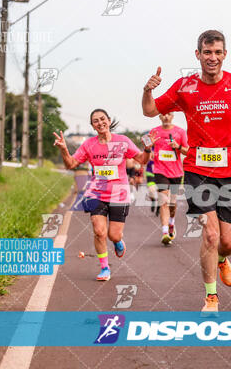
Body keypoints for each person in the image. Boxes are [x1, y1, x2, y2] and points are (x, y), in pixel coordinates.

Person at [141, 30, 231, 312]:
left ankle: (222, 259)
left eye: (218, 52)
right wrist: (148, 90)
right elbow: (149, 111)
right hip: (197, 169)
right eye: (207, 52)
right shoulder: (185, 86)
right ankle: (211, 296)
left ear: (225, 54)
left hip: (230, 170)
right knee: (210, 235)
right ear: (198, 55)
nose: (212, 57)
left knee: (228, 242)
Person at [53, 109, 155, 281]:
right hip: (96, 192)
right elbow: (71, 164)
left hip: (119, 193)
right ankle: (104, 268)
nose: (100, 123)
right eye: (95, 121)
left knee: (113, 235)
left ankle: (117, 241)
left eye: (102, 119)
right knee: (99, 231)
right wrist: (64, 149)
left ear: (109, 120)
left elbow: (142, 160)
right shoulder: (88, 145)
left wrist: (147, 149)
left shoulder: (123, 141)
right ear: (92, 126)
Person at [148, 113, 188, 245]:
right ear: (159, 117)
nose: (166, 117)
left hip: (176, 172)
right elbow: (146, 147)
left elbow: (188, 151)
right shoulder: (154, 131)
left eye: (169, 114)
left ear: (173, 116)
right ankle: (165, 232)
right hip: (160, 170)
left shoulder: (180, 132)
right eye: (163, 114)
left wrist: (178, 147)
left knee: (172, 203)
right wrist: (149, 147)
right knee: (163, 201)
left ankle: (171, 222)